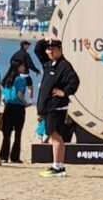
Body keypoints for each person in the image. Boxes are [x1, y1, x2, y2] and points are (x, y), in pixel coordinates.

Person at [34, 38, 80, 177]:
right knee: (52, 135)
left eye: (54, 49)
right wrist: (45, 40)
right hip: (48, 107)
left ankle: (58, 166)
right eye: (49, 49)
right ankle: (56, 164)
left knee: (55, 135)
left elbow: (74, 81)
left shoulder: (64, 65)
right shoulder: (49, 64)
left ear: (60, 50)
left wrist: (64, 92)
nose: (50, 51)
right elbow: (37, 50)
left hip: (57, 107)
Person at [0, 58, 29, 163]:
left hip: (7, 107)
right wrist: (26, 103)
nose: (24, 68)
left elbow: (4, 94)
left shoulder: (5, 79)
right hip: (18, 108)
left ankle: (3, 156)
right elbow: (19, 94)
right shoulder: (21, 80)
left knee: (6, 134)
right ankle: (15, 157)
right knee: (18, 133)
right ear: (18, 67)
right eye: (22, 66)